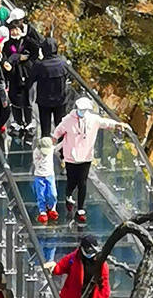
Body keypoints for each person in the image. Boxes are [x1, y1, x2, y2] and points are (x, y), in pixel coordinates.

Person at [53, 95, 128, 225]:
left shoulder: (93, 119)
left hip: (86, 156)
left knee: (82, 182)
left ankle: (81, 209)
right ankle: (68, 196)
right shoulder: (68, 120)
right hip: (71, 157)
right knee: (72, 181)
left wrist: (118, 125)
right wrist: (53, 141)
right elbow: (58, 131)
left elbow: (106, 123)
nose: (83, 112)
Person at [29, 38, 70, 136]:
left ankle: (45, 148)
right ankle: (62, 149)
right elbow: (68, 76)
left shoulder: (39, 65)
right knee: (61, 128)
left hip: (44, 101)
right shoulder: (62, 63)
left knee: (45, 130)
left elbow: (31, 80)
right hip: (60, 100)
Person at [5, 42, 33, 140]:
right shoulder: (10, 49)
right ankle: (18, 123)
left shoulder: (30, 63)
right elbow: (9, 63)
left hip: (27, 84)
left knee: (27, 104)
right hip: (15, 83)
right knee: (16, 103)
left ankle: (29, 124)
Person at [32, 134, 59, 224]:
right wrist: (41, 159)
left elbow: (58, 147)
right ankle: (42, 211)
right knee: (41, 194)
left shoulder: (51, 148)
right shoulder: (36, 152)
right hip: (39, 176)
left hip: (50, 175)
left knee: (53, 193)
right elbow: (36, 163)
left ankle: (52, 207)